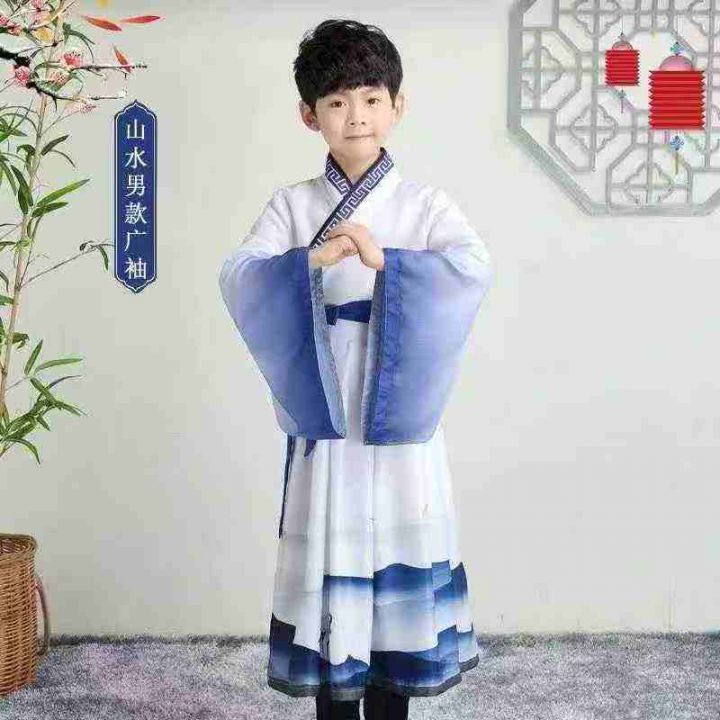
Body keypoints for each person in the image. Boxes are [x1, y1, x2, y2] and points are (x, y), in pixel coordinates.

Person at [218, 18, 493, 720]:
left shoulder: (425, 204)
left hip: (398, 396)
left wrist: (388, 264)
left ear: (398, 105)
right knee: (330, 540)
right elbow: (241, 274)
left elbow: (471, 268)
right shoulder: (293, 204)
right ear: (309, 115)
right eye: (337, 102)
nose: (357, 115)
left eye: (372, 98)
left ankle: (394, 691)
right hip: (329, 391)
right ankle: (333, 691)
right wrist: (309, 262)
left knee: (402, 532)